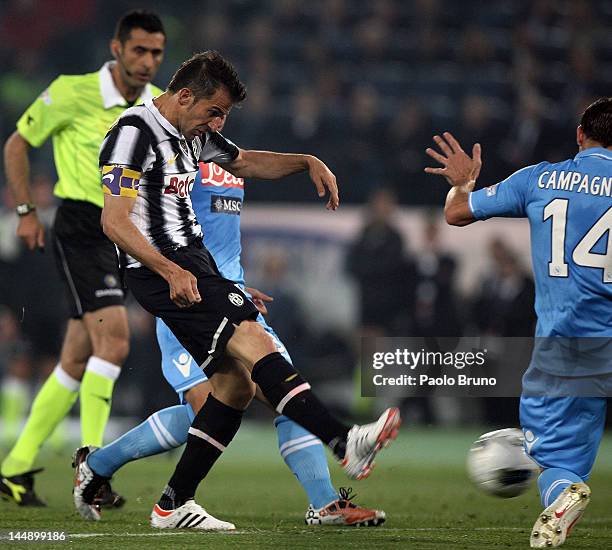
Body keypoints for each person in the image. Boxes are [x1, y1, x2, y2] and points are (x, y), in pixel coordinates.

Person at [74, 50, 400, 530]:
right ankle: (342, 442)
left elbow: (245, 161)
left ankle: (171, 504)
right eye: (214, 111)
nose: (219, 122)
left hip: (200, 269)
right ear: (184, 96)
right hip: (167, 272)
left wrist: (306, 161)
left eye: (223, 114)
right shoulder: (133, 133)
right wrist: (168, 270)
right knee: (256, 349)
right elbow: (114, 220)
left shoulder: (192, 136)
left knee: (236, 387)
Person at [424, 98, 612, 548]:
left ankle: (563, 493)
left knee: (555, 459)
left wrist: (464, 181)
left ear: (580, 135)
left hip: (570, 345)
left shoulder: (539, 178)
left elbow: (456, 212)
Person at [0, 10, 166, 507]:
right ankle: (93, 470)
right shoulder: (71, 92)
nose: (148, 61)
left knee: (76, 358)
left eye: (156, 52)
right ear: (116, 48)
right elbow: (16, 144)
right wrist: (27, 211)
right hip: (80, 228)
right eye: (139, 50)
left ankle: (13, 470)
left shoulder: (158, 106)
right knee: (113, 343)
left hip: (124, 233)